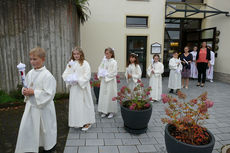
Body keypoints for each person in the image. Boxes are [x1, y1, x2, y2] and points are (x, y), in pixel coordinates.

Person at [15, 47, 57, 153]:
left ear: (43, 59)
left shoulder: (47, 76)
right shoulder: (30, 73)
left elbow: (49, 94)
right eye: (31, 59)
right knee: (29, 129)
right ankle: (32, 147)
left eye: (35, 59)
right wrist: (24, 91)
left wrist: (34, 92)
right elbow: (26, 86)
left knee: (45, 131)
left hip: (44, 109)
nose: (32, 62)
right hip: (32, 107)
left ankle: (49, 148)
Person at [62, 47, 95, 131]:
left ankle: (87, 122)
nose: (76, 55)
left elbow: (87, 75)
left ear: (81, 54)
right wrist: (69, 80)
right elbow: (65, 74)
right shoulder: (70, 63)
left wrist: (78, 80)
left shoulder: (85, 63)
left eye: (77, 54)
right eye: (74, 54)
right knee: (76, 105)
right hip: (74, 88)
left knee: (84, 104)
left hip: (82, 88)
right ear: (72, 55)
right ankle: (77, 122)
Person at [97, 47, 118, 119]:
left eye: (107, 53)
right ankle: (104, 111)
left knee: (110, 95)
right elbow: (100, 67)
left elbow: (114, 72)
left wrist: (106, 74)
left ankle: (111, 111)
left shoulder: (114, 62)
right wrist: (100, 73)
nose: (106, 55)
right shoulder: (104, 61)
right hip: (104, 81)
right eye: (105, 53)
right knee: (104, 95)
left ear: (111, 54)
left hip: (110, 81)